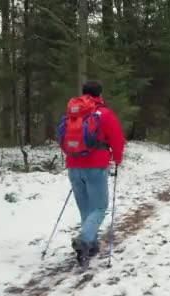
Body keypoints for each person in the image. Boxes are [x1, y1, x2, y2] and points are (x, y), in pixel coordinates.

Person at [61, 80, 125, 267]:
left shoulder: (72, 113)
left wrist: (73, 158)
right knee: (99, 207)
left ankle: (91, 245)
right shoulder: (104, 113)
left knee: (87, 209)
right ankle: (85, 240)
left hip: (73, 166)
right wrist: (117, 159)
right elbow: (118, 140)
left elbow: (62, 138)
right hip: (96, 167)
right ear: (100, 94)